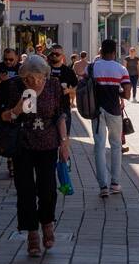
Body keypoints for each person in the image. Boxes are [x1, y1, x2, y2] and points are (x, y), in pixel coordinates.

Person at [0, 54, 69, 257]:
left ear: (45, 75)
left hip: (48, 145)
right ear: (23, 76)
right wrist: (17, 109)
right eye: (29, 78)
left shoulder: (54, 86)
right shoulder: (14, 86)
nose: (34, 82)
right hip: (23, 145)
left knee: (47, 190)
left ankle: (47, 225)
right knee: (25, 191)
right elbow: (3, 116)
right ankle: (32, 234)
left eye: (38, 77)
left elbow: (60, 115)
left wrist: (64, 143)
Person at [89, 39, 131, 197]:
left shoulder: (92, 67)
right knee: (116, 146)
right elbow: (127, 94)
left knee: (99, 147)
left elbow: (84, 84)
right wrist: (117, 92)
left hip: (97, 111)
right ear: (114, 52)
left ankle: (103, 186)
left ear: (100, 52)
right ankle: (115, 183)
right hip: (114, 110)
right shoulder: (121, 69)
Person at [47, 47, 79, 195]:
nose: (54, 56)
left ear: (62, 56)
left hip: (64, 109)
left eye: (57, 54)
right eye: (52, 53)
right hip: (48, 111)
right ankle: (54, 164)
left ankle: (64, 162)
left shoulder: (68, 71)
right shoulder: (45, 69)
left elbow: (76, 87)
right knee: (51, 140)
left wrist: (69, 91)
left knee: (64, 139)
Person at [0, 47, 22, 177]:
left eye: (11, 59)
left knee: (17, 135)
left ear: (17, 58)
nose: (8, 62)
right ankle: (10, 161)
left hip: (19, 108)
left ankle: (15, 163)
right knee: (6, 135)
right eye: (5, 59)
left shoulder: (22, 69)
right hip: (2, 108)